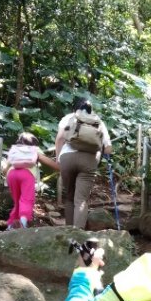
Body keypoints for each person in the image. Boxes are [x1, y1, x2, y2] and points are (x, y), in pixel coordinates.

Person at [55, 97, 113, 228]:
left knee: (69, 197)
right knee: (81, 199)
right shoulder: (98, 121)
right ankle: (78, 236)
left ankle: (68, 232)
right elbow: (108, 149)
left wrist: (58, 158)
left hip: (67, 158)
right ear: (90, 109)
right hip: (89, 160)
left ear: (75, 108)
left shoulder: (68, 118)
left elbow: (59, 139)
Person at [4, 132, 59, 229]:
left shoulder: (14, 150)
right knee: (26, 200)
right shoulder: (35, 150)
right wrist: (60, 168)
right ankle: (23, 222)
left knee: (17, 202)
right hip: (26, 175)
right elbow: (47, 161)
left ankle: (11, 225)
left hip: (11, 174)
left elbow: (5, 168)